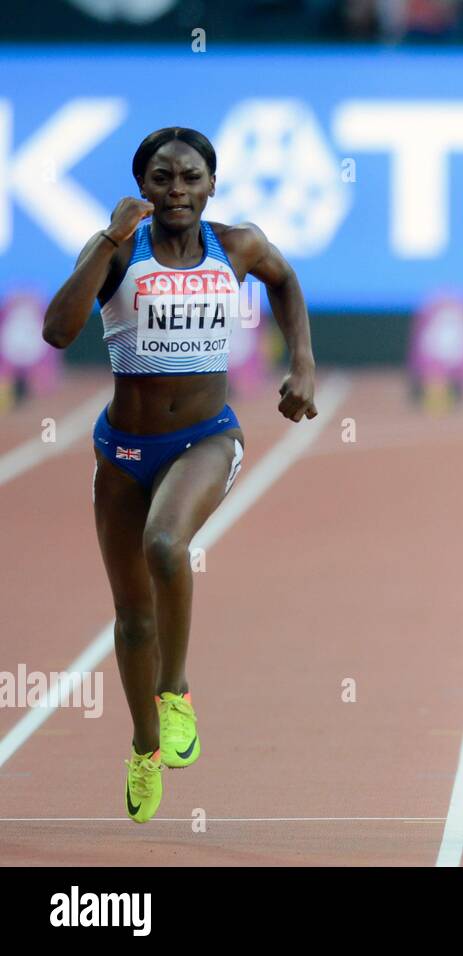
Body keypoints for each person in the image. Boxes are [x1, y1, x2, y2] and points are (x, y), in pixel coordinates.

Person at [42, 127, 318, 822]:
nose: (176, 190)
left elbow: (285, 283)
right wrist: (108, 238)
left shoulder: (239, 246)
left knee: (165, 546)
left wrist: (302, 363)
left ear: (211, 185)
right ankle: (142, 747)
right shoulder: (117, 249)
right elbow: (55, 330)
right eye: (161, 178)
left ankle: (177, 693)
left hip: (205, 437)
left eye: (190, 177)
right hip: (123, 450)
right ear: (143, 187)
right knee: (133, 617)